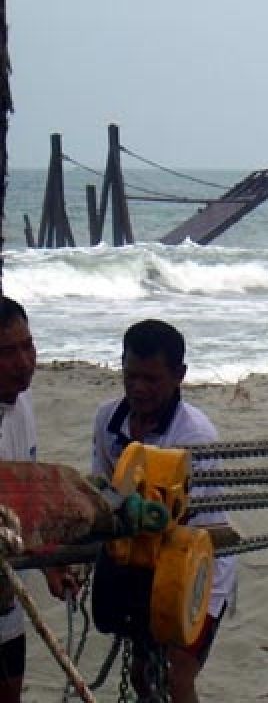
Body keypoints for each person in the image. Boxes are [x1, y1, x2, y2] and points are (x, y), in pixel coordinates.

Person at [92, 320, 235, 703]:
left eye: (151, 379)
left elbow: (203, 532)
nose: (138, 388)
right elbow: (104, 493)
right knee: (142, 675)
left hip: (199, 567)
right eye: (131, 375)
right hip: (141, 565)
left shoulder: (195, 439)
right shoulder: (108, 422)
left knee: (175, 676)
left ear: (179, 376)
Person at [0, 296, 78, 703]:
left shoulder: (24, 403)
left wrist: (50, 564)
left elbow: (28, 499)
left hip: (9, 598)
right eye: (8, 352)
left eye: (28, 346)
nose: (24, 362)